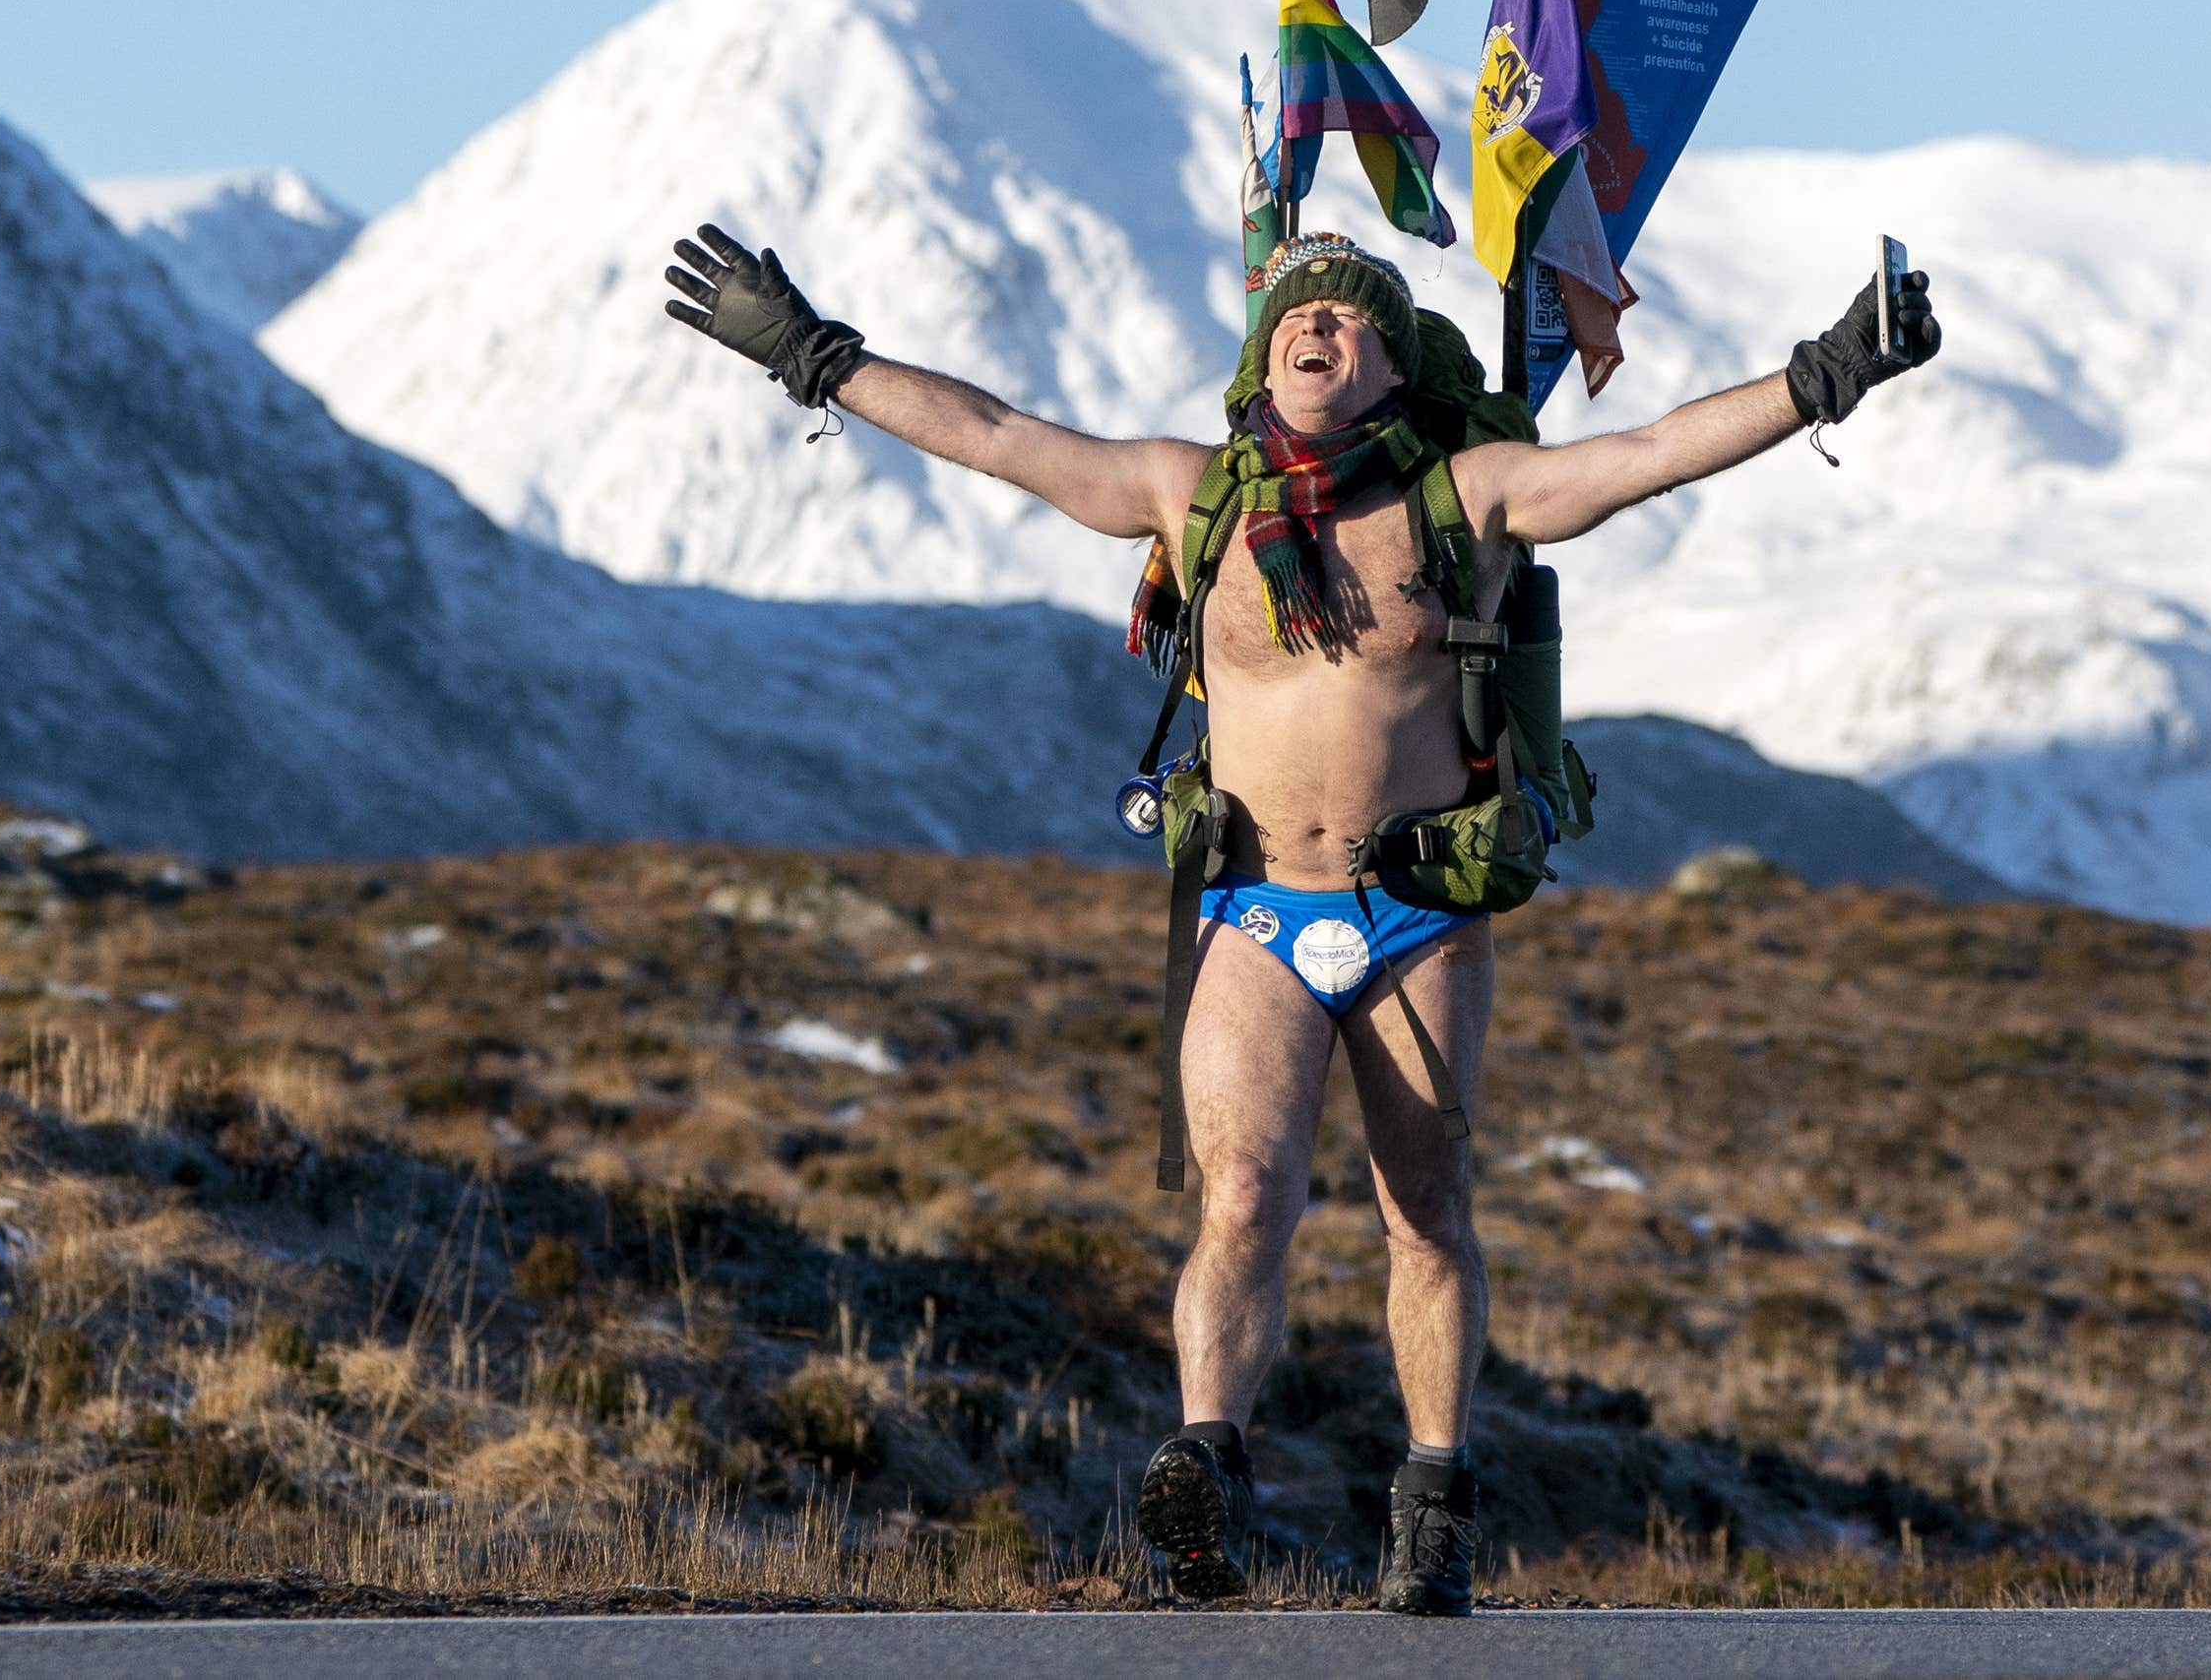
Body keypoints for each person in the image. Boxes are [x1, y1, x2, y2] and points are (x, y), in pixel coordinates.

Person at [666, 223, 1939, 1614]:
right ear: (1258, 354)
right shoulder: (1188, 492)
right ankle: (1204, 1479)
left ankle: (1435, 1505)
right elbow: (991, 432)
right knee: (1246, 1197)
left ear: (1395, 360)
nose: (1313, 327)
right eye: (1290, 316)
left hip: (1417, 914)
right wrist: (813, 355)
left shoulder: (1473, 494)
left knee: (1428, 1214)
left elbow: (1646, 458)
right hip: (1253, 906)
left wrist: (1821, 376)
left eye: (1345, 316)